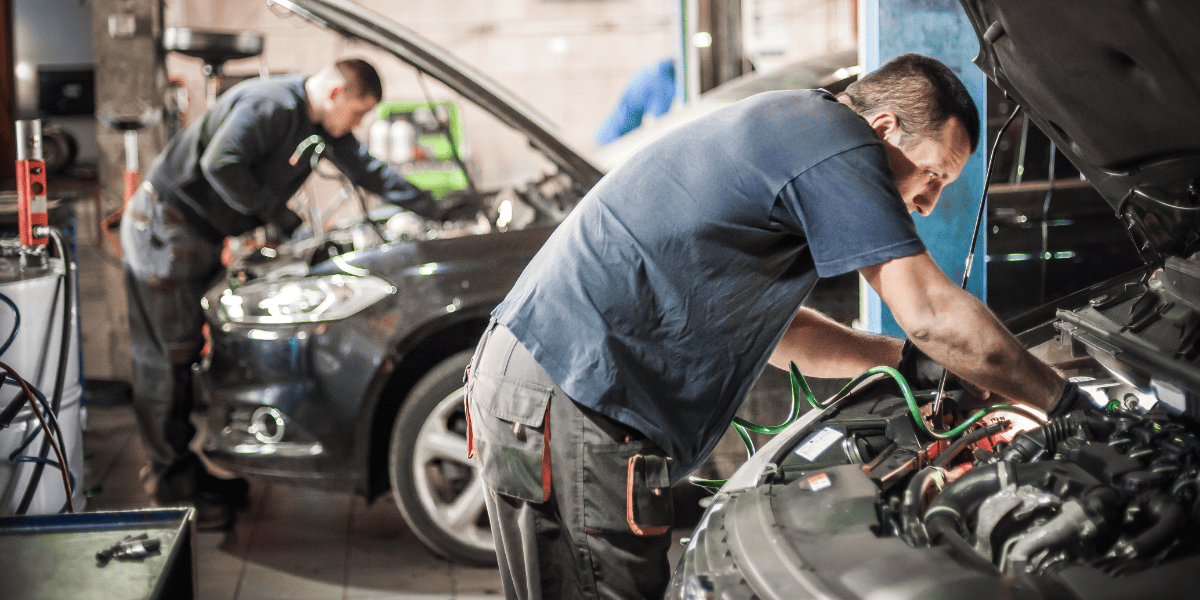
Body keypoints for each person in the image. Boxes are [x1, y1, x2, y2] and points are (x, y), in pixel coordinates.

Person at [465, 53, 1091, 599]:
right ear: (883, 128)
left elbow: (784, 333)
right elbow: (930, 314)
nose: (928, 202)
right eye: (933, 176)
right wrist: (1067, 403)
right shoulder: (837, 143)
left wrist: (899, 362)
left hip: (528, 387)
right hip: (571, 397)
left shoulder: (792, 125)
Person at [120, 58, 477, 529]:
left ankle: (182, 474)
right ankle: (170, 490)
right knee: (168, 358)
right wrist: (276, 214)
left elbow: (367, 170)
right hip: (165, 230)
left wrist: (436, 206)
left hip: (195, 235)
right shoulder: (269, 106)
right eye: (357, 113)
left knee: (181, 355)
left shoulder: (320, 126)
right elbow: (219, 164)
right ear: (334, 94)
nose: (358, 125)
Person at [593, 58, 676, 146]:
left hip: (606, 138)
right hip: (613, 143)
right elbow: (656, 126)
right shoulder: (663, 78)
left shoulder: (654, 70)